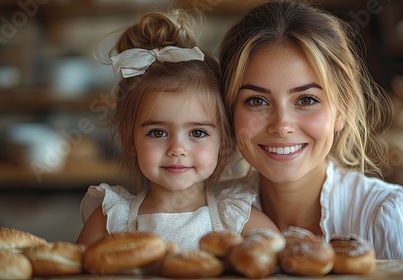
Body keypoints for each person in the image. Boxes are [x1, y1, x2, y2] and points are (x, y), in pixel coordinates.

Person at [218, 0, 403, 259]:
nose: (282, 125)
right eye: (257, 101)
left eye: (307, 100)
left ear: (343, 108)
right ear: (230, 110)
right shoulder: (209, 212)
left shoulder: (390, 217)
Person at [77, 9, 278, 249]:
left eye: (197, 133)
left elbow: (281, 264)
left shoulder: (237, 221)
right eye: (158, 132)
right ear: (129, 138)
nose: (177, 149)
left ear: (224, 141)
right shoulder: (110, 221)